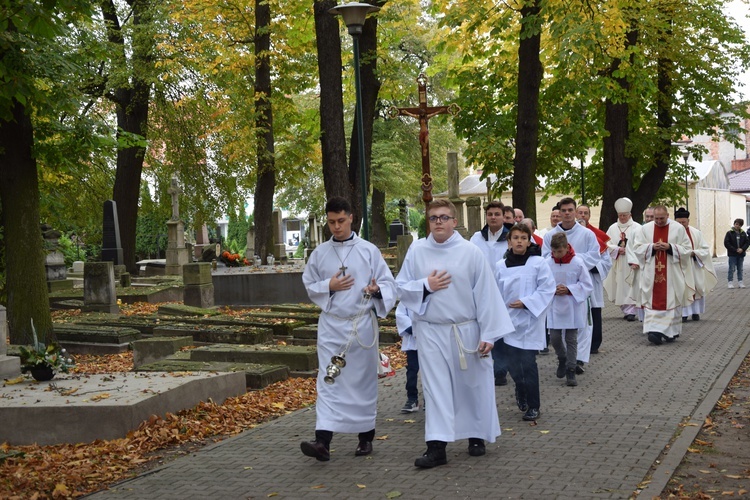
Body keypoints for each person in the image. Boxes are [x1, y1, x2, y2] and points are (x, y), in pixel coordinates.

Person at [396, 199, 514, 468]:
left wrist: (489, 334)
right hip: (430, 330)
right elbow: (401, 288)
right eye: (433, 218)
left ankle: (476, 436)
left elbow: (486, 294)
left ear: (454, 221)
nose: (438, 222)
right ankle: (436, 447)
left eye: (444, 217)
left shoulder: (470, 252)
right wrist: (426, 285)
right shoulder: (417, 250)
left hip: (466, 330)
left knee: (470, 385)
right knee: (435, 389)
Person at [300, 197, 397, 461]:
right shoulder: (319, 253)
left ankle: (365, 438)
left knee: (363, 382)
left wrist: (376, 290)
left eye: (341, 221)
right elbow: (309, 284)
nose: (336, 227)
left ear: (351, 217)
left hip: (361, 325)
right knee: (328, 380)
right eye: (331, 222)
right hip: (332, 326)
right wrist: (328, 287)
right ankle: (322, 442)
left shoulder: (368, 250)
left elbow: (389, 284)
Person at [494, 223, 555, 420]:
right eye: (515, 238)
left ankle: (534, 405)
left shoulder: (538, 263)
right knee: (512, 364)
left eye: (523, 238)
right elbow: (494, 293)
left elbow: (547, 289)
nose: (519, 241)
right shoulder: (500, 266)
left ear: (529, 242)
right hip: (508, 322)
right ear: (509, 241)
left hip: (530, 320)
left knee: (528, 363)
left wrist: (527, 303)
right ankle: (520, 388)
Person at [542, 198, 601, 373]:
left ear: (575, 212)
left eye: (570, 210)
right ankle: (564, 357)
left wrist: (574, 261)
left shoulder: (587, 234)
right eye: (564, 210)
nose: (567, 213)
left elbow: (594, 255)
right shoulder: (549, 235)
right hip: (556, 287)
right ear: (559, 212)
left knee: (580, 326)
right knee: (556, 333)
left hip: (578, 283)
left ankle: (577, 360)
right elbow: (545, 256)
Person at [629, 205, 694, 345]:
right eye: (656, 218)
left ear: (668, 215)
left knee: (670, 300)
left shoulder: (678, 228)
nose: (658, 221)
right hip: (651, 273)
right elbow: (637, 248)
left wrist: (670, 247)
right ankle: (654, 332)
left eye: (661, 218)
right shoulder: (645, 229)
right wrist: (651, 247)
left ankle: (671, 332)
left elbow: (687, 249)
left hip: (671, 273)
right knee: (652, 301)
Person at [470, 200, 511, 386]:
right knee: (483, 328)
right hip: (480, 290)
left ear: (503, 216)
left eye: (497, 214)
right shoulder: (476, 239)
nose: (493, 217)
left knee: (499, 330)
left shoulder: (511, 237)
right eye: (490, 214)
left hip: (503, 291)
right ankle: (483, 365)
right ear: (486, 217)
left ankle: (501, 370)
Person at [546, 232, 594, 387]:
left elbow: (587, 285)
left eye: (559, 251)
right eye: (554, 252)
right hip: (554, 305)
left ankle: (571, 369)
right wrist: (553, 289)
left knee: (571, 339)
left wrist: (569, 289)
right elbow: (542, 284)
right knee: (554, 338)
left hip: (572, 305)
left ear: (566, 248)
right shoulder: (547, 263)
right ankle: (562, 357)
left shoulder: (577, 262)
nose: (556, 255)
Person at [575, 204, 612, 355]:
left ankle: (594, 344)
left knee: (594, 311)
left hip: (591, 278)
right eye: (580, 213)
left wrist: (591, 266)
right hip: (574, 280)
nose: (582, 216)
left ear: (589, 216)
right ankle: (575, 344)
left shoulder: (598, 236)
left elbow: (606, 261)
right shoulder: (568, 234)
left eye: (586, 213)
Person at [674, 208, 717, 322]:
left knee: (697, 287)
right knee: (683, 289)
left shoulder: (696, 233)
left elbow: (704, 249)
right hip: (680, 267)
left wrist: (695, 253)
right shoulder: (672, 233)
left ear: (688, 221)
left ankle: (695, 312)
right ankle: (683, 313)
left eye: (684, 222)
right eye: (679, 222)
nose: (681, 224)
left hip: (694, 265)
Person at [603, 198, 641, 321]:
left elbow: (641, 245)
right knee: (619, 285)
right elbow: (606, 244)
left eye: (625, 215)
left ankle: (632, 311)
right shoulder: (613, 227)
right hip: (618, 262)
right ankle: (626, 309)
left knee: (631, 284)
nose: (623, 217)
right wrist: (617, 249)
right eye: (620, 215)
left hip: (632, 262)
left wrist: (630, 252)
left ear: (630, 215)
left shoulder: (637, 227)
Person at [396, 302, 420, 413]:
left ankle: (430, 399)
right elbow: (400, 314)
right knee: (412, 371)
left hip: (429, 338)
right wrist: (411, 328)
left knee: (430, 371)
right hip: (412, 341)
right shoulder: (407, 296)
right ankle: (412, 399)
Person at [724, 219, 749, 289]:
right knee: (731, 268)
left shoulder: (743, 233)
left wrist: (742, 249)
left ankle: (740, 281)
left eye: (739, 225)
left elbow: (747, 242)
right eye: (736, 224)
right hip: (732, 254)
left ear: (741, 226)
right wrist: (735, 250)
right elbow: (726, 243)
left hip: (741, 254)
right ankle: (730, 282)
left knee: (740, 268)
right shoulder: (729, 233)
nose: (737, 226)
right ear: (734, 224)